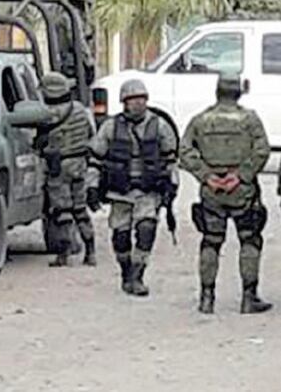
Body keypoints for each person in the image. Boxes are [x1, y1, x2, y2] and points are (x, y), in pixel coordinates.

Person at [181, 74, 271, 314]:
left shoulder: (201, 120)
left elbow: (185, 151)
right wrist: (241, 175)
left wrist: (206, 176)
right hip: (243, 191)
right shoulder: (250, 120)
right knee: (250, 240)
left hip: (212, 192)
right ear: (238, 92)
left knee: (210, 241)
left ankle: (206, 298)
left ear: (217, 92)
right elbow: (262, 150)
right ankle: (249, 298)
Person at [88, 79, 178, 297]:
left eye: (141, 99)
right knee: (121, 237)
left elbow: (171, 159)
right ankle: (126, 271)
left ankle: (138, 275)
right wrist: (91, 187)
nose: (138, 103)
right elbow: (95, 159)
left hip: (148, 190)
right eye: (133, 99)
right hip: (120, 192)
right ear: (124, 102)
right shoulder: (111, 127)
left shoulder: (159, 126)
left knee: (147, 229)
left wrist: (172, 185)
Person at [36, 72, 97, 267]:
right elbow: (92, 135)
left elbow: (39, 140)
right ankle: (90, 251)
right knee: (80, 209)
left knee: (61, 211)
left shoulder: (46, 114)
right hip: (79, 164)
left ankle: (63, 253)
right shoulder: (80, 110)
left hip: (58, 166)